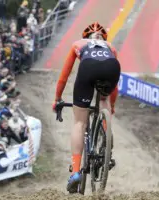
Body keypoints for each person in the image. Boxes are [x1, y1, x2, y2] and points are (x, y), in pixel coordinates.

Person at [52, 22, 121, 193]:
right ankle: (106, 137)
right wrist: (111, 107)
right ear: (102, 38)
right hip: (111, 69)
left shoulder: (78, 44)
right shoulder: (110, 46)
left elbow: (64, 76)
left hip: (88, 67)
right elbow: (115, 86)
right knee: (104, 100)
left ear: (87, 37)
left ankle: (75, 172)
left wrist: (57, 98)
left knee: (79, 122)